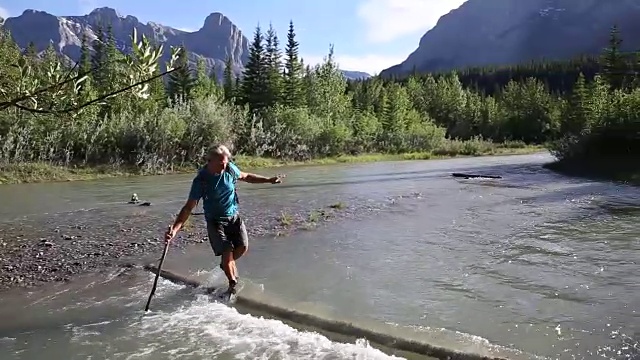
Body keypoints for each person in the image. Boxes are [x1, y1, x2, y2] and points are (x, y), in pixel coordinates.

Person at [165, 144, 283, 294]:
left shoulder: (230, 169)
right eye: (221, 163)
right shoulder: (201, 181)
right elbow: (188, 207)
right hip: (216, 221)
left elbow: (246, 176)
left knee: (242, 247)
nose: (224, 165)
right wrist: (175, 230)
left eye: (226, 162)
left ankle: (226, 267)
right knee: (227, 251)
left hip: (234, 217)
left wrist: (268, 180)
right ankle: (232, 285)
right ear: (210, 161)